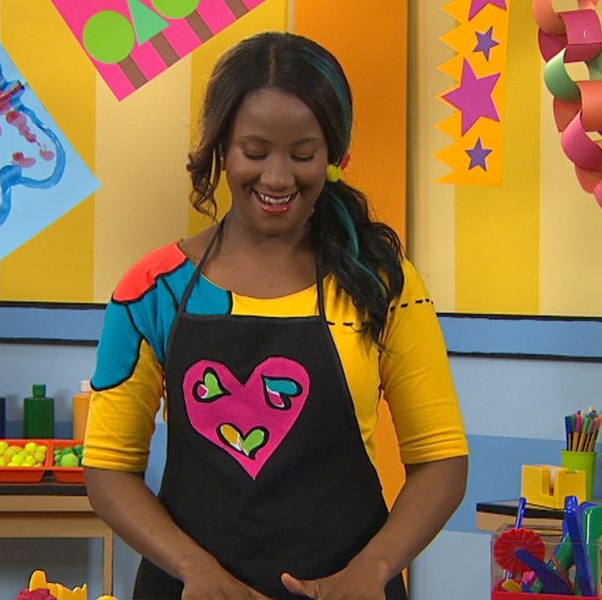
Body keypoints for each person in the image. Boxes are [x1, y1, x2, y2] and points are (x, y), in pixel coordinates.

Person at [82, 31, 468, 600]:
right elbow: (108, 469)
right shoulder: (153, 291)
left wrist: (374, 568)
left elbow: (440, 460)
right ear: (221, 147)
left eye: (303, 154)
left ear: (335, 157)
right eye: (255, 152)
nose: (278, 178)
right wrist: (194, 568)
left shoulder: (382, 284)